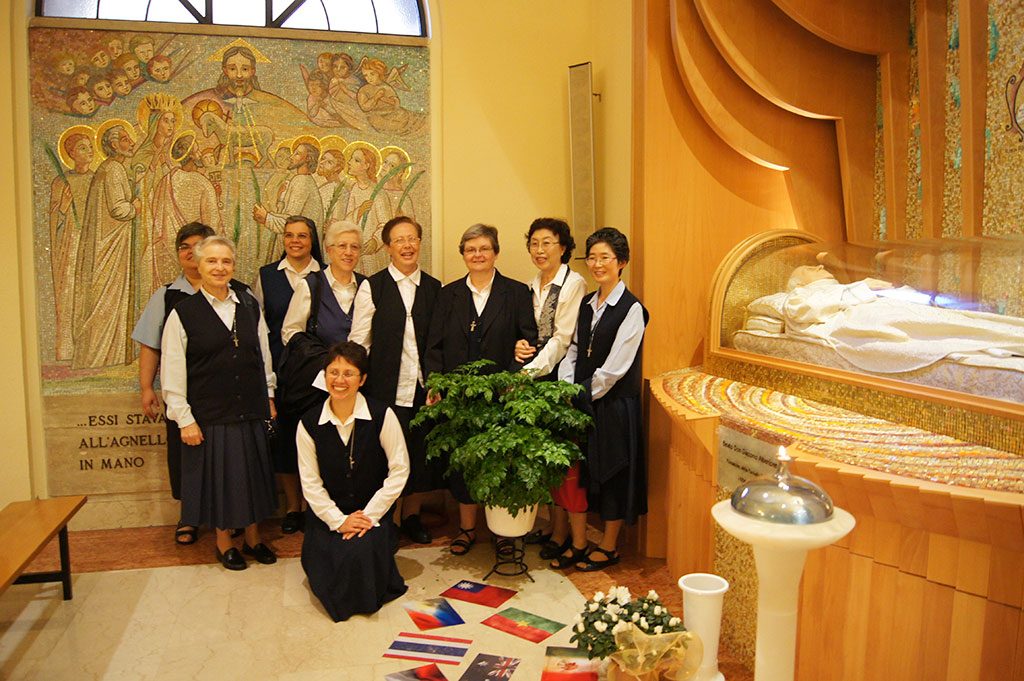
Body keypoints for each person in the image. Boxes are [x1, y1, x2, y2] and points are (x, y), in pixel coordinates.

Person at [160, 235, 278, 571]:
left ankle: (253, 539)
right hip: (210, 414)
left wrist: (269, 395)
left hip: (250, 408)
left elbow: (263, 356)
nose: (219, 267)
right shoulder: (183, 313)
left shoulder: (249, 305)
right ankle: (224, 543)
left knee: (252, 478)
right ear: (198, 265)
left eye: (226, 261)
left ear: (233, 266)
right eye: (211, 261)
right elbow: (172, 370)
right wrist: (184, 419)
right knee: (222, 483)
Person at [424, 223, 538, 555]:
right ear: (463, 255)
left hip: (502, 394)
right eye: (471, 249)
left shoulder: (516, 293)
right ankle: (467, 528)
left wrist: (514, 378)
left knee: (498, 462)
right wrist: (436, 384)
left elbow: (528, 341)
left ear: (495, 253)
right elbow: (434, 345)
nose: (477, 255)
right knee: (463, 462)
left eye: (484, 248)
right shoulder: (448, 295)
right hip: (459, 396)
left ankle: (502, 531)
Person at [551, 227, 649, 572]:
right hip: (583, 400)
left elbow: (616, 368)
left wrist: (581, 393)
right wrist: (566, 386)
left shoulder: (633, 309)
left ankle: (609, 546)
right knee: (584, 473)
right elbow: (573, 350)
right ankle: (581, 542)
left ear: (621, 262)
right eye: (592, 257)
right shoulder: (587, 304)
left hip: (613, 403)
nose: (597, 264)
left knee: (613, 473)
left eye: (605, 257)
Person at [297, 341, 410, 622]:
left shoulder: (382, 415)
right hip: (327, 514)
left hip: (372, 513)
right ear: (324, 376)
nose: (340, 380)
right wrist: (338, 521)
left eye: (349, 373)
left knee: (358, 553)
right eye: (333, 372)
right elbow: (310, 483)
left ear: (362, 379)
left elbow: (400, 470)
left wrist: (369, 516)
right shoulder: (308, 423)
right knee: (329, 560)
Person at [349, 216, 441, 545]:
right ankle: (387, 519)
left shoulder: (434, 288)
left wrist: (437, 381)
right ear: (388, 248)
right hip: (384, 390)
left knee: (419, 456)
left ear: (419, 243)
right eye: (399, 240)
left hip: (424, 389)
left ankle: (412, 516)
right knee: (386, 458)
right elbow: (360, 341)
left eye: (412, 238)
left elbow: (439, 342)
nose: (407, 245)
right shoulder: (372, 287)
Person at [131, 222, 215, 545]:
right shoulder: (166, 296)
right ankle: (189, 517)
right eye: (184, 247)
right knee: (185, 456)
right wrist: (146, 388)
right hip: (182, 393)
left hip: (224, 392)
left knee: (223, 456)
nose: (191, 252)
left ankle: (226, 515)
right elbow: (150, 345)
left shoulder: (236, 291)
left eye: (199, 245)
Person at [512, 218, 587, 559]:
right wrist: (519, 347)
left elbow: (561, 339)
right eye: (534, 243)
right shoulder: (530, 286)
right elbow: (528, 333)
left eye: (547, 243)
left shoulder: (573, 284)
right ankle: (555, 528)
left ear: (563, 247)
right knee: (544, 459)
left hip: (560, 383)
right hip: (534, 382)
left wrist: (527, 373)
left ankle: (567, 535)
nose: (539, 250)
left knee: (564, 462)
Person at [252, 215, 323, 534]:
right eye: (289, 235)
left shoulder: (326, 274)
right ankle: (294, 507)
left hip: (319, 375)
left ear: (312, 241)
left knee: (317, 441)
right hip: (280, 371)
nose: (295, 241)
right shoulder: (267, 276)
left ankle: (315, 506)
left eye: (302, 236)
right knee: (285, 442)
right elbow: (259, 326)